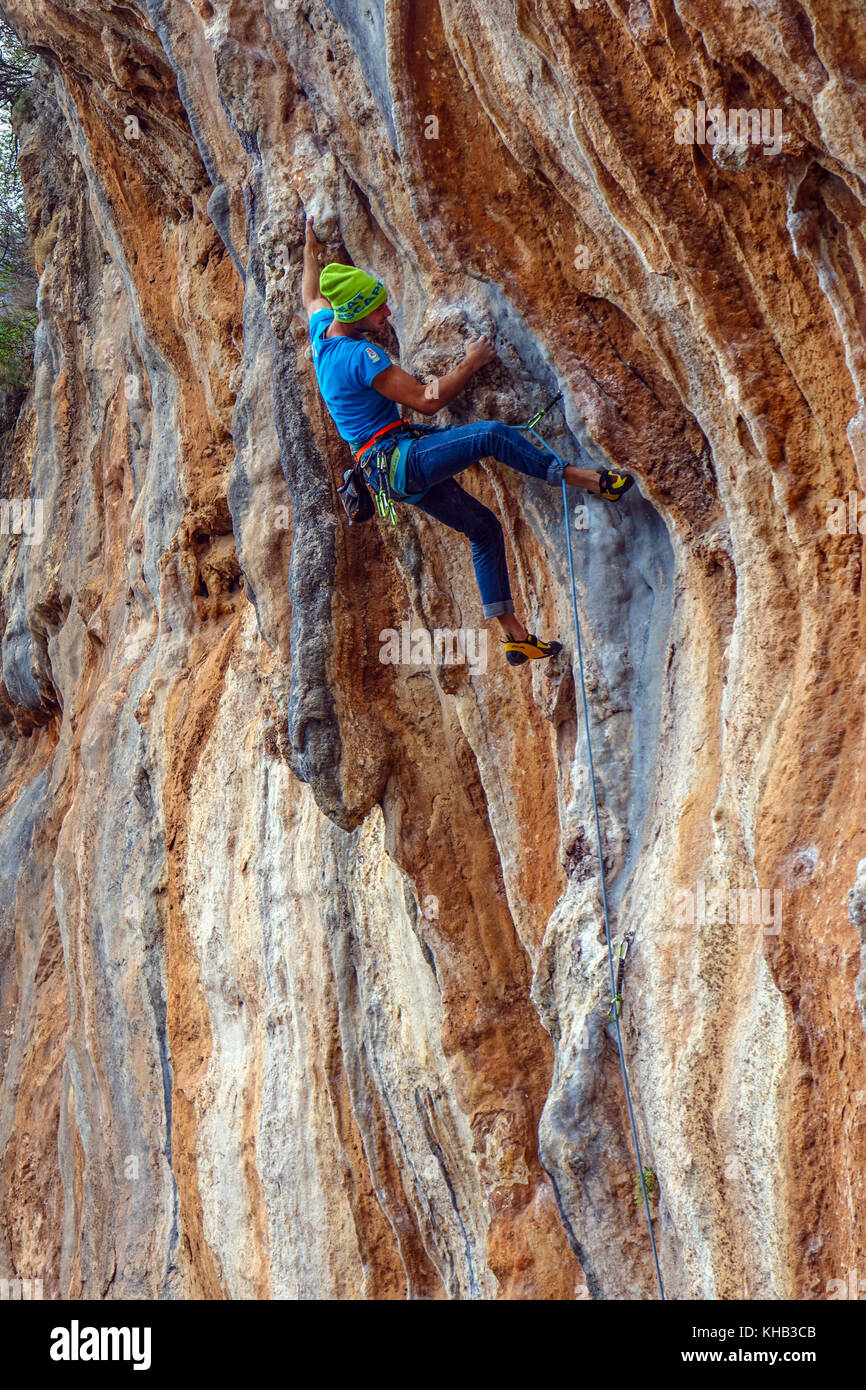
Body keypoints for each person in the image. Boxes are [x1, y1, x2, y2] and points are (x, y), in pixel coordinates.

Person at [301, 217, 634, 666]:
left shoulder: (323, 335)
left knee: (483, 529)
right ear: (356, 313)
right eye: (377, 309)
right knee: (492, 436)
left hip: (389, 472)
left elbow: (311, 292)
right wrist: (470, 363)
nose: (387, 314)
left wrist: (310, 250)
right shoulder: (362, 356)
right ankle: (586, 479)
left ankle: (514, 637)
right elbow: (424, 401)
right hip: (401, 459)